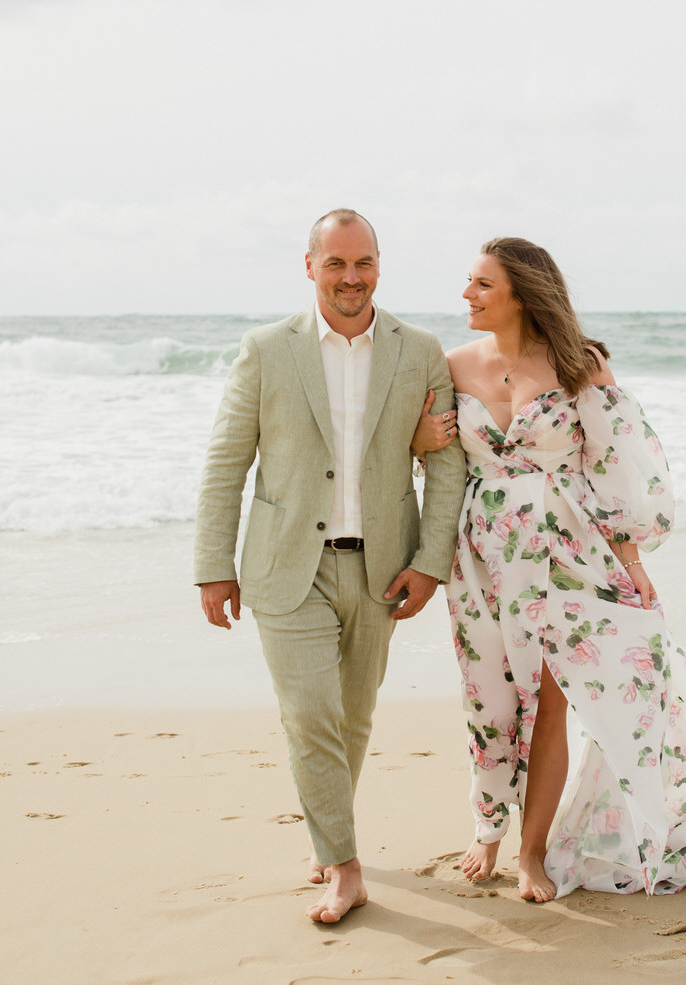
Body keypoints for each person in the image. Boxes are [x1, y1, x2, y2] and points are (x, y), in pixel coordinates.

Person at [412, 236, 686, 902]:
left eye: (481, 284)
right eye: (469, 283)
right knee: (490, 700)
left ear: (521, 293)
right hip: (483, 559)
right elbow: (431, 462)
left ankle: (531, 853)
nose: (466, 294)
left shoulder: (578, 364)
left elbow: (617, 465)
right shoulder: (447, 365)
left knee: (549, 701)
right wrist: (419, 445)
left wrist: (632, 560)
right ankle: (486, 827)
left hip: (566, 554)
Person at [194, 209, 466, 924]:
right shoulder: (265, 350)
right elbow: (227, 462)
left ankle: (326, 829)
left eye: (363, 262)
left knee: (353, 715)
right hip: (288, 566)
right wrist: (211, 565)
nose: (351, 278)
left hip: (381, 567)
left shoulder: (421, 350)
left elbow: (448, 466)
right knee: (310, 711)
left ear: (380, 265)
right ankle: (345, 867)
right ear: (309, 264)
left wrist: (431, 562)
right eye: (337, 263)